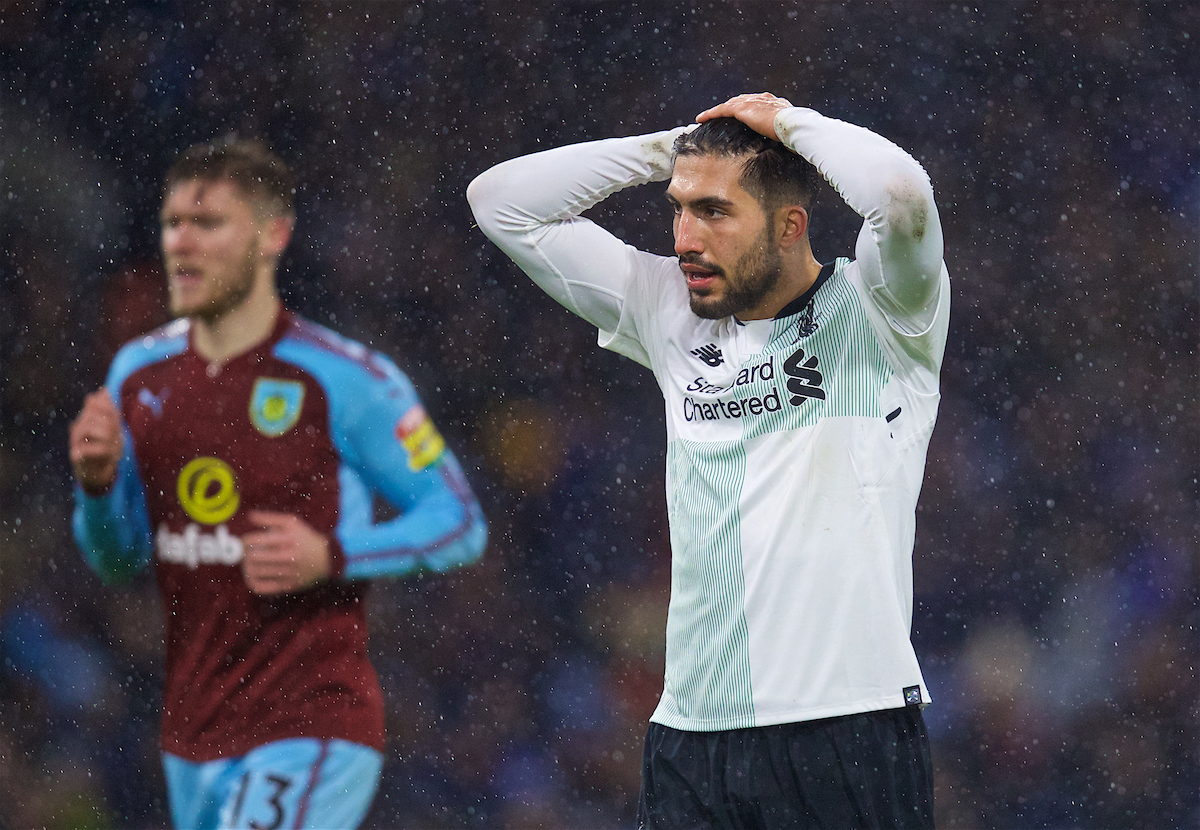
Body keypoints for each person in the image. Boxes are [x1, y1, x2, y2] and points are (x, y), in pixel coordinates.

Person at [468, 92, 949, 828]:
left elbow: (898, 193)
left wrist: (786, 123)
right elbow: (499, 201)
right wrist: (677, 148)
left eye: (716, 213)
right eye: (679, 209)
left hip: (849, 727)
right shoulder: (666, 311)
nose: (686, 237)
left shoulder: (883, 311)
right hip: (694, 739)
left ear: (791, 226)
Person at [70, 137, 487, 830]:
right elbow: (117, 559)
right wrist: (96, 485)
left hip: (311, 720)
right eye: (174, 223)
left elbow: (458, 519)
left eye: (209, 225)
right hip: (192, 732)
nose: (183, 243)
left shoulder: (348, 380)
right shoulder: (137, 376)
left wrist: (335, 555)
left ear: (273, 235)